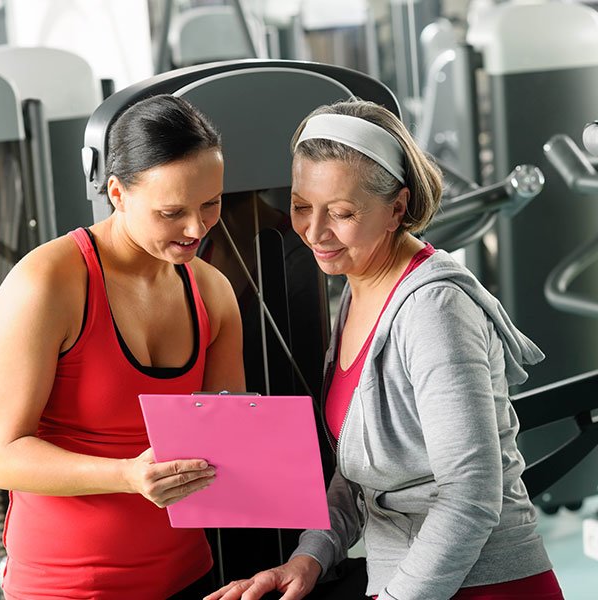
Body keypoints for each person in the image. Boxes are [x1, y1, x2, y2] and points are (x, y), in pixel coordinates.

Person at [205, 99, 565, 600]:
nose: (314, 231)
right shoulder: (358, 287)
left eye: (343, 213)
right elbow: (358, 476)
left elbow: (472, 495)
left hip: (483, 583)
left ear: (397, 207)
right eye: (302, 205)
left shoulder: (434, 309)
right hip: (404, 582)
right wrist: (308, 558)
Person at [0, 94, 245, 599]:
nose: (196, 228)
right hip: (67, 587)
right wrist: (126, 475)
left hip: (189, 576)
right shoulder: (47, 285)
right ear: (117, 193)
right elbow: (1, 458)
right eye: (172, 212)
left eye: (211, 204)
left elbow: (227, 439)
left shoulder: (212, 291)